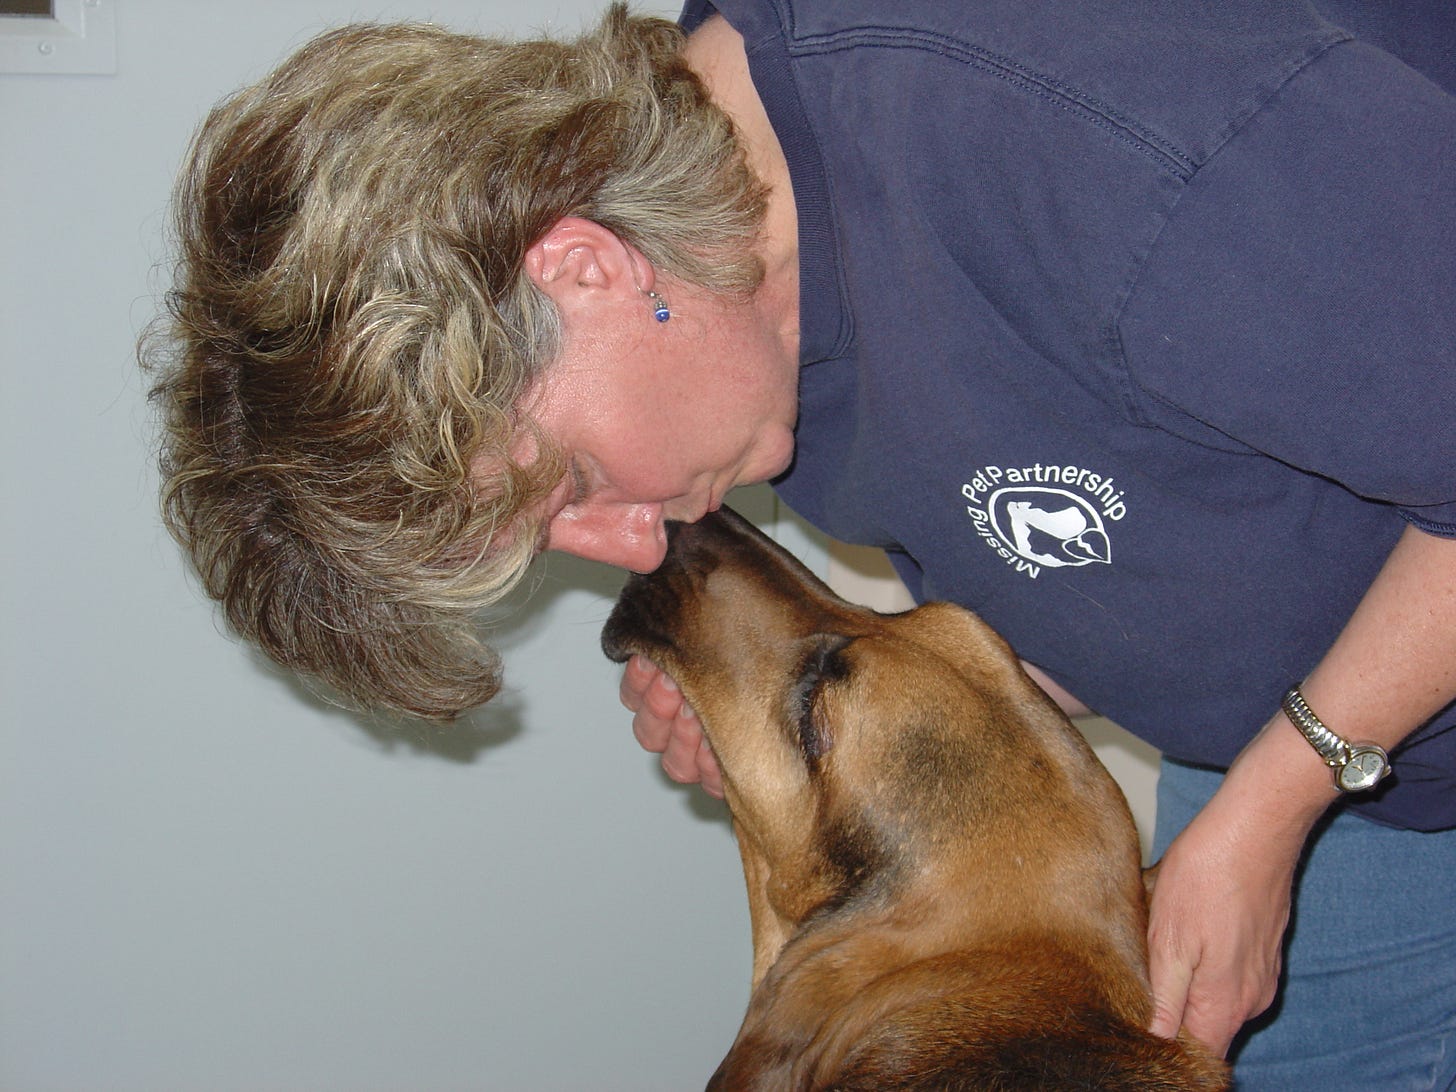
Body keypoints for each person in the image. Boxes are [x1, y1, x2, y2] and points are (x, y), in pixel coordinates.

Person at [147, 2, 1455, 1085]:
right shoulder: (737, 296)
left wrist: (1278, 801)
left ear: (585, 269)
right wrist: (801, 724)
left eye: (576, 487)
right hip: (1348, 764)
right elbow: (1093, 523)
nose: (630, 545)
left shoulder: (1072, 129)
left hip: (1332, 757)